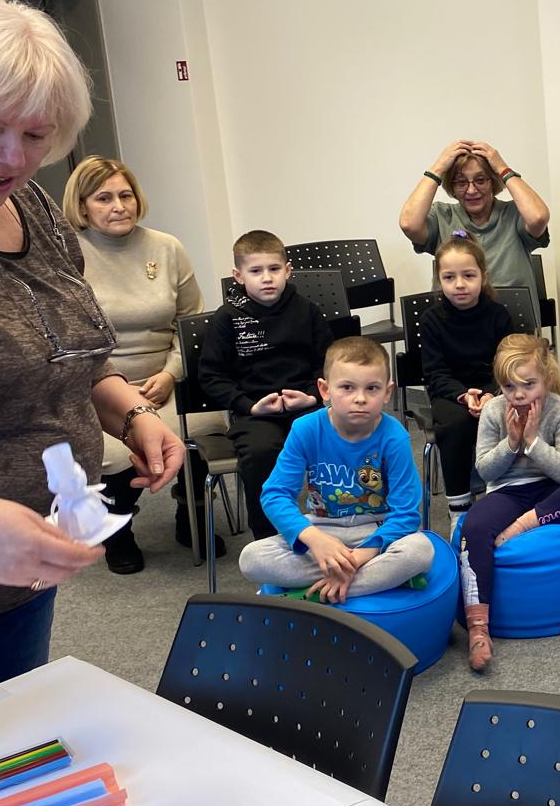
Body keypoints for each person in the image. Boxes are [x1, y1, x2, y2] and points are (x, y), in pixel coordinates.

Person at [0, 0, 182, 708]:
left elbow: (66, 352)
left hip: (24, 567)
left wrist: (130, 414)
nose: (14, 157)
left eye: (37, 134)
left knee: (16, 742)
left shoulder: (28, 204)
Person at [64, 155, 223, 572]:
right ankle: (118, 530)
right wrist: (119, 389)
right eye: (103, 198)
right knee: (115, 456)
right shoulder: (67, 255)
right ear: (82, 207)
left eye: (126, 195)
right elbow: (66, 338)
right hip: (101, 393)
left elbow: (191, 322)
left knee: (206, 428)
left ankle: (191, 515)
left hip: (165, 383)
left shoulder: (167, 248)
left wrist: (171, 373)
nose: (119, 206)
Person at [238, 338, 432, 603]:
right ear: (325, 390)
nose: (360, 398)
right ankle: (376, 578)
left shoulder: (394, 436)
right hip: (321, 528)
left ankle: (325, 587)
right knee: (251, 558)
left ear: (387, 393)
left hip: (377, 528)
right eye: (347, 387)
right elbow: (275, 494)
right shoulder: (305, 429)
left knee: (420, 551)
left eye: (372, 388)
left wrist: (361, 555)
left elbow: (406, 513)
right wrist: (315, 540)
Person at [462, 335, 560, 671]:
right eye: (508, 386)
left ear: (545, 377)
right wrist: (511, 442)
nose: (518, 394)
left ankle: (524, 525)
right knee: (474, 526)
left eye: (528, 384)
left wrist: (531, 441)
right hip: (508, 490)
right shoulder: (493, 410)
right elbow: (485, 470)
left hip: (552, 490)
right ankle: (478, 628)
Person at [197, 230, 332, 540]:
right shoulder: (227, 318)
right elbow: (211, 376)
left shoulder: (308, 311)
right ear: (239, 276)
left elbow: (328, 364)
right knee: (261, 452)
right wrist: (248, 405)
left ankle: (335, 524)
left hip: (306, 405)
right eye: (256, 271)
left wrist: (313, 396)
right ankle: (269, 537)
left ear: (288, 270)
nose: (267, 278)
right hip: (255, 411)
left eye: (274, 269)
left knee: (334, 440)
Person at [419, 232, 512, 518]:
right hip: (450, 393)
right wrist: (463, 394)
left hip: (494, 389)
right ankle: (458, 508)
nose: (459, 284)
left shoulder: (499, 315)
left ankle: (504, 497)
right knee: (455, 423)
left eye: (468, 275)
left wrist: (491, 393)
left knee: (506, 416)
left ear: (483, 276)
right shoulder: (432, 320)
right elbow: (435, 373)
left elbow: (508, 364)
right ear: (439, 280)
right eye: (449, 277)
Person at [398, 139, 550, 296]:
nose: (471, 190)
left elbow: (538, 217)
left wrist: (502, 168)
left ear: (493, 182)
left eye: (480, 180)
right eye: (461, 182)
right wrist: (438, 167)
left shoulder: (515, 213)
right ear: (452, 187)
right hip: (455, 311)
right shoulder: (442, 216)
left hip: (512, 311)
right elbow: (409, 224)